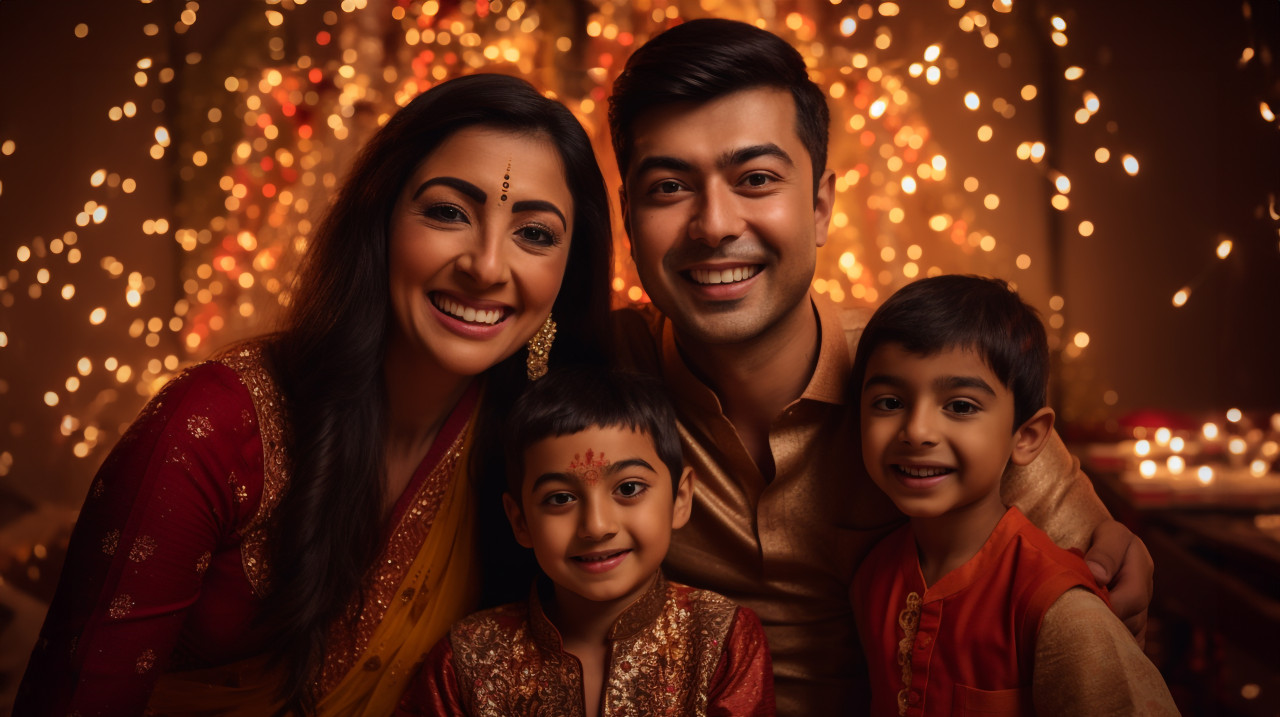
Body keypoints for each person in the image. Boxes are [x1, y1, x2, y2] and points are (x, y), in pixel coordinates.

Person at [16, 73, 614, 715]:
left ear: (567, 273)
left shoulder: (537, 445)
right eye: (447, 213)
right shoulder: (213, 431)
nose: (487, 266)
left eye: (536, 234)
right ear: (378, 223)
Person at [606, 18, 1155, 714]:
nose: (714, 224)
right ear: (627, 218)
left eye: (756, 178)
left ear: (821, 207)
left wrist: (1112, 571)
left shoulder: (933, 382)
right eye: (667, 188)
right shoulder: (600, 366)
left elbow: (1099, 576)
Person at [849, 275, 1177, 716]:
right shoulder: (873, 579)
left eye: (960, 406)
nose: (917, 431)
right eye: (889, 403)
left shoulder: (1062, 611)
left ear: (1027, 437)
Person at [396, 366, 775, 716]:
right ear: (520, 520)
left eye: (628, 488)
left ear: (680, 499)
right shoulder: (465, 659)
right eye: (560, 498)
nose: (595, 526)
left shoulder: (721, 638)